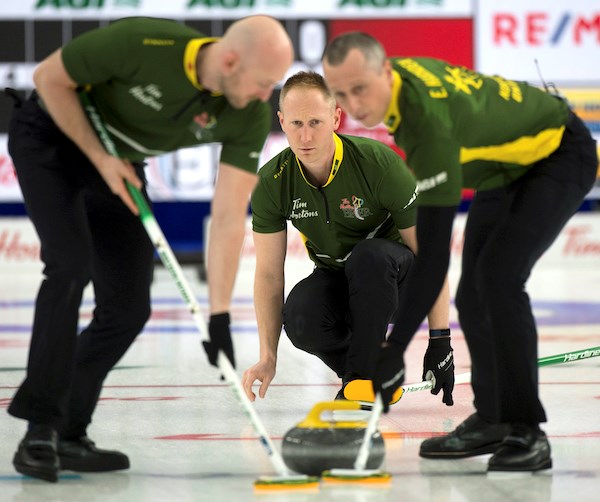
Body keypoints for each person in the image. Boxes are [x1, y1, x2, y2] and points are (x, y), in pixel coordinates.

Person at [6, 15, 293, 483]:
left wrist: (218, 315)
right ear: (230, 60)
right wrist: (100, 158)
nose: (267, 96)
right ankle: (41, 428)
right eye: (264, 83)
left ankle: (69, 432)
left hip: (118, 159)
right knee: (70, 266)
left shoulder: (248, 112)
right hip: (52, 136)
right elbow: (48, 78)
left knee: (128, 306)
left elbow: (226, 217)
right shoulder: (142, 41)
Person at [322, 32, 598, 472]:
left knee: (501, 280)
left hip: (559, 152)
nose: (353, 105)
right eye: (340, 93)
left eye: (360, 89)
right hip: (502, 168)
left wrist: (392, 352)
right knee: (472, 295)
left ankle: (527, 430)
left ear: (386, 72)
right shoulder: (401, 91)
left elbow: (431, 260)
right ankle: (492, 417)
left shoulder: (427, 124)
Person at [241, 71, 451, 406]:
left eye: (315, 122)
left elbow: (431, 256)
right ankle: (358, 378)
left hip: (396, 279)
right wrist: (268, 356)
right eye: (296, 123)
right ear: (281, 121)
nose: (306, 136)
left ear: (336, 117)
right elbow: (268, 274)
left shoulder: (379, 164)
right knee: (299, 315)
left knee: (369, 257)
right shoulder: (272, 182)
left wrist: (440, 341)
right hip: (338, 278)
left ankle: (368, 367)